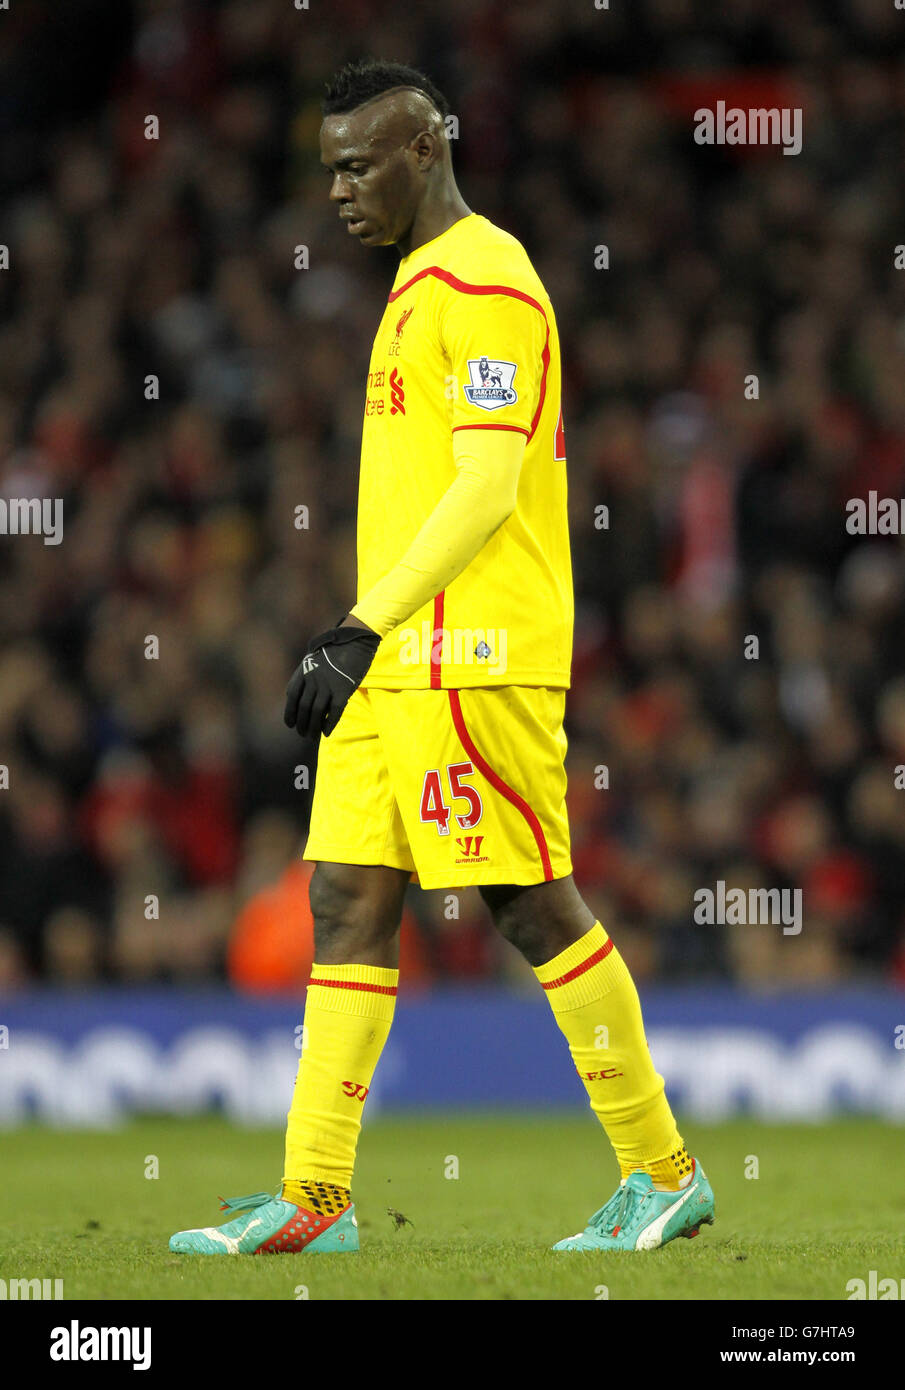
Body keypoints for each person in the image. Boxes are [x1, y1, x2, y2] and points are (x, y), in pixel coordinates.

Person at [170, 58, 714, 1257]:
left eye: (359, 163)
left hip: (471, 648)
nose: (339, 191)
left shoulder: (490, 281)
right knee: (345, 899)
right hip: (395, 652)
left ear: (425, 148)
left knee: (526, 904)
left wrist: (362, 623)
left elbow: (486, 481)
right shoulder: (417, 284)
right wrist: (369, 630)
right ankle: (315, 1198)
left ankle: (661, 1170)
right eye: (327, 171)